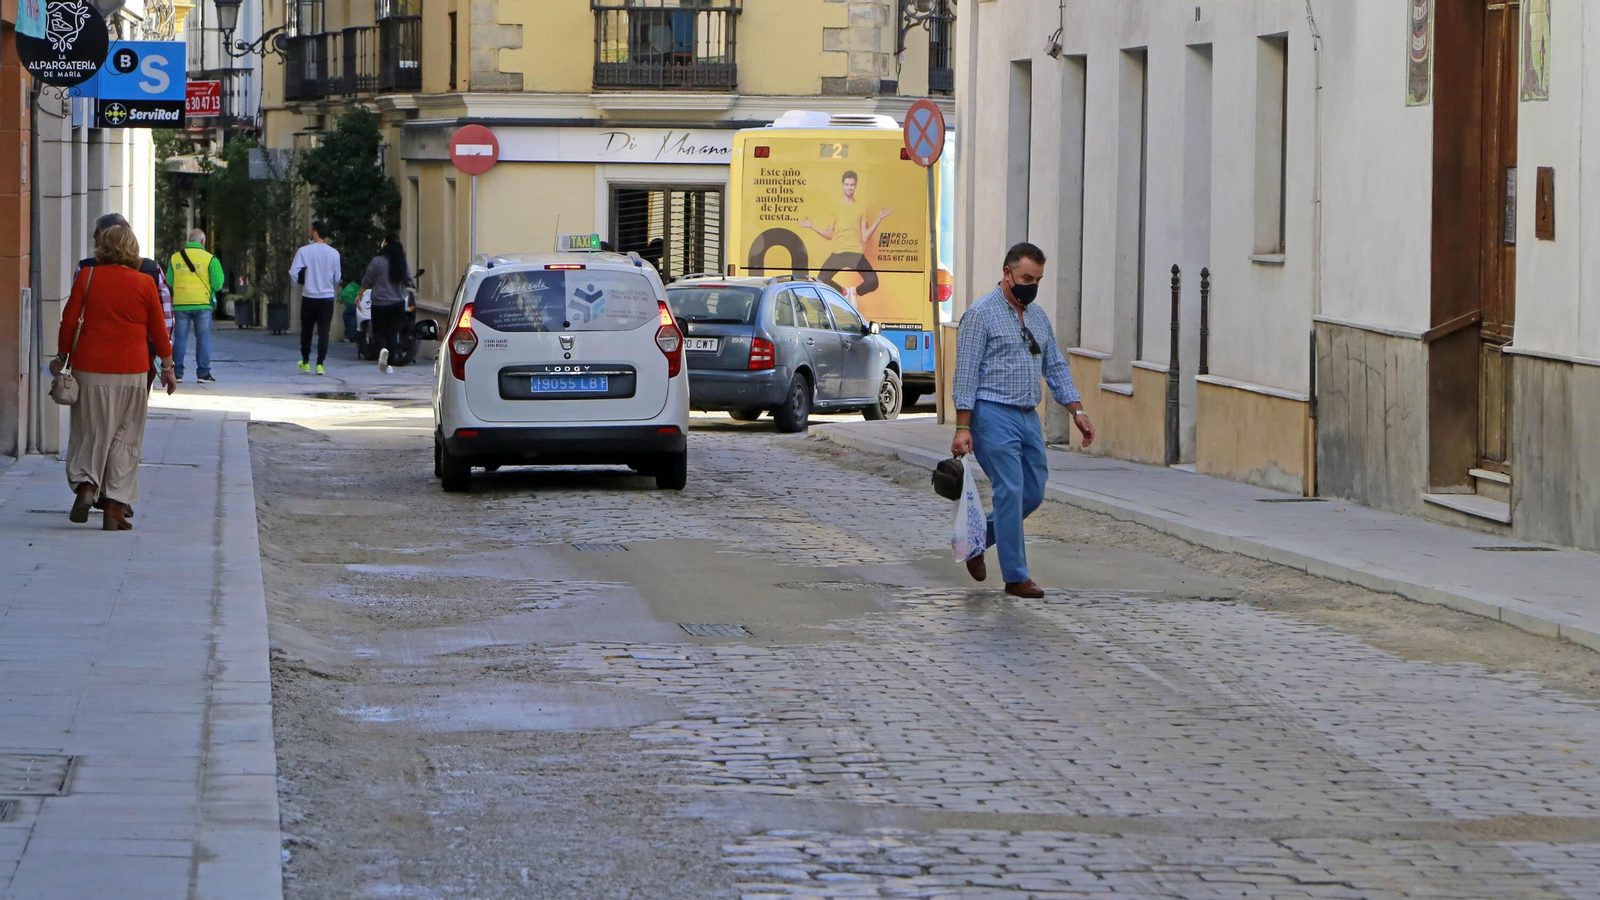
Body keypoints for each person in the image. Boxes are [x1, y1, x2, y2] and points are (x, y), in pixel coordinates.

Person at [950, 242, 1096, 598]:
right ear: (1008, 273)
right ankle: (1016, 576)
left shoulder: (1037, 316)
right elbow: (965, 373)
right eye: (1027, 277)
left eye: (1038, 279)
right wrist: (963, 426)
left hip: (1028, 416)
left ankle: (976, 541)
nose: (1032, 284)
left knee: (1032, 492)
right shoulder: (980, 314)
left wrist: (1076, 410)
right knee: (1011, 490)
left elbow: (1056, 365)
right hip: (991, 413)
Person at [51, 224, 176, 531]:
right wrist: (169, 367)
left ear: (102, 247)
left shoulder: (88, 277)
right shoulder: (144, 282)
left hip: (89, 368)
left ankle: (86, 486)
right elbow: (158, 330)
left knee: (91, 431)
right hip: (133, 370)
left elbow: (69, 321)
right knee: (126, 436)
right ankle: (114, 508)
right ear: (132, 248)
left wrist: (63, 356)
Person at [77, 212, 172, 390]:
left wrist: (63, 356)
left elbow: (72, 320)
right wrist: (166, 364)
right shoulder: (150, 271)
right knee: (131, 416)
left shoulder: (86, 271)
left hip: (91, 363)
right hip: (137, 362)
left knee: (93, 416)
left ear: (102, 237)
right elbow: (164, 324)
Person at [800, 170, 892, 301]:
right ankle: (843, 291)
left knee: (873, 282)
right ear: (842, 185)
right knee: (820, 281)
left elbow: (865, 236)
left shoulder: (861, 207)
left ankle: (853, 292)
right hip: (839, 253)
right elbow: (830, 234)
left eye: (852, 185)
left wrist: (879, 219)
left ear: (856, 186)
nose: (849, 187)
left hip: (856, 253)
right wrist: (812, 227)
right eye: (847, 184)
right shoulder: (835, 206)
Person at [166, 228, 224, 383]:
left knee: (179, 339)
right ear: (203, 242)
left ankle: (177, 373)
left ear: (189, 240)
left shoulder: (175, 258)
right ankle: (203, 374)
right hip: (202, 304)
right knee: (203, 339)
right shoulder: (210, 259)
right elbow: (218, 284)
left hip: (181, 304)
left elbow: (169, 282)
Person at [288, 221, 341, 375]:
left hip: (309, 296)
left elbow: (293, 272)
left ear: (315, 232)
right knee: (324, 331)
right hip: (327, 297)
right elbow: (337, 277)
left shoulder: (304, 251)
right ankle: (320, 364)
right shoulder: (334, 253)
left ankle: (305, 362)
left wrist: (302, 281)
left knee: (307, 330)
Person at [361, 233, 411, 374]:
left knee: (379, 331)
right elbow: (408, 280)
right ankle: (389, 365)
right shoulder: (402, 262)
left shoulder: (377, 261)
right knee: (392, 333)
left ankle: (382, 350)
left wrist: (360, 292)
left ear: (386, 245)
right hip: (398, 303)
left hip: (379, 303)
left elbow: (368, 279)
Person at [339, 278, 361, 343]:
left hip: (348, 299)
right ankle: (350, 335)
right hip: (355, 301)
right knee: (354, 317)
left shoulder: (352, 285)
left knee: (348, 315)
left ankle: (348, 335)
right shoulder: (358, 287)